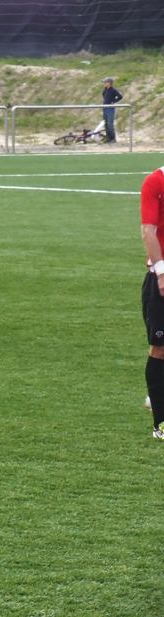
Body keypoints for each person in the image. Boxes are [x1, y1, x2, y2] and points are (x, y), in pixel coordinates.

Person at [140, 165, 164, 439]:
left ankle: (157, 397)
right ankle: (161, 422)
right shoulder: (155, 183)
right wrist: (162, 272)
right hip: (160, 279)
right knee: (160, 349)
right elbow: (148, 231)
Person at [100, 77, 123, 143]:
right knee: (106, 124)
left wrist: (113, 101)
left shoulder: (113, 90)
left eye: (105, 82)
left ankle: (113, 138)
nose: (104, 83)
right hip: (105, 108)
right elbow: (104, 96)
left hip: (110, 109)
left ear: (109, 83)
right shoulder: (105, 90)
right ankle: (108, 138)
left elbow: (120, 96)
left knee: (110, 124)